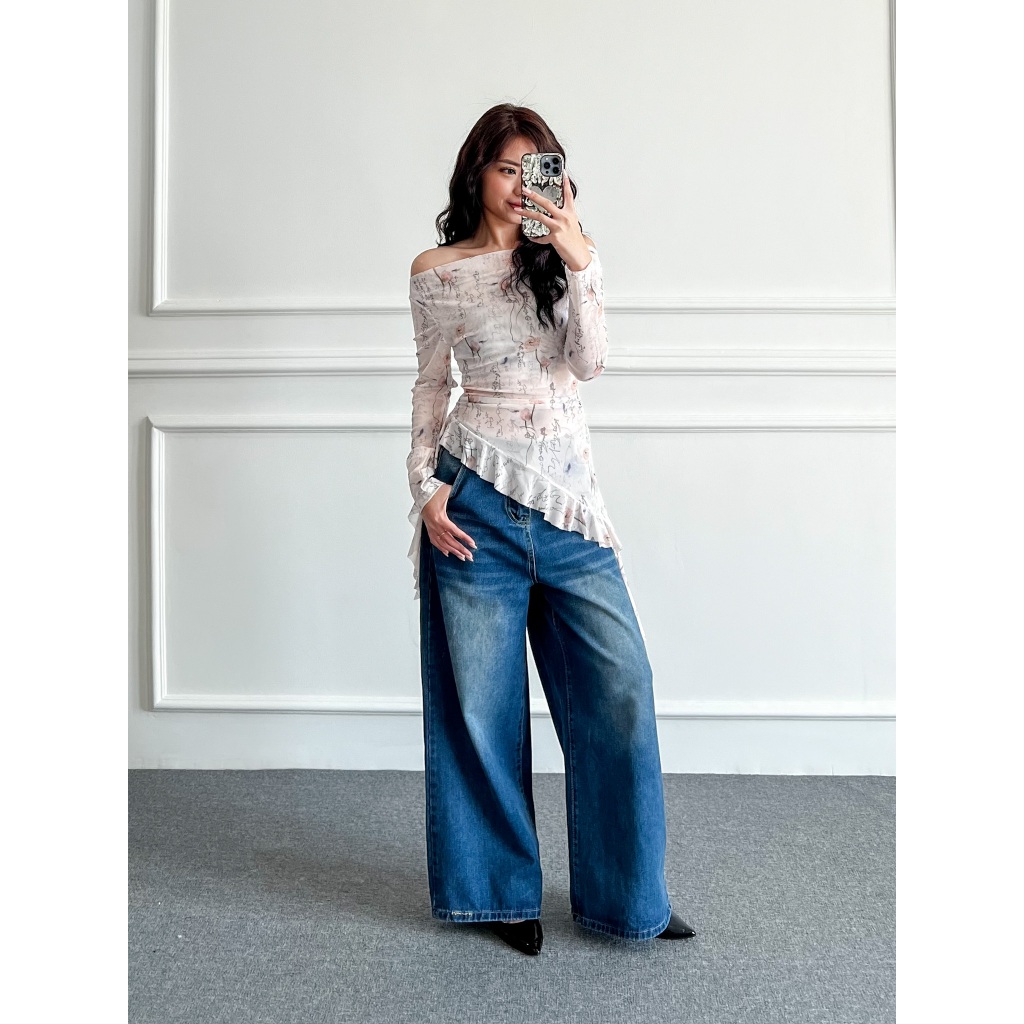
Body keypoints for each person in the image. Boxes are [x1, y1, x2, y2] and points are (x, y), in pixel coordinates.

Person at [405, 103, 695, 956]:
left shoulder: (566, 258)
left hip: (567, 508)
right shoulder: (436, 271)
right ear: (477, 174)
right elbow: (430, 384)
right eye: (505, 168)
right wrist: (424, 488)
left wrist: (579, 256)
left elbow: (589, 363)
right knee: (481, 710)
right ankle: (497, 895)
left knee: (621, 690)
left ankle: (630, 897)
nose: (518, 185)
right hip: (473, 502)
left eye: (535, 169)